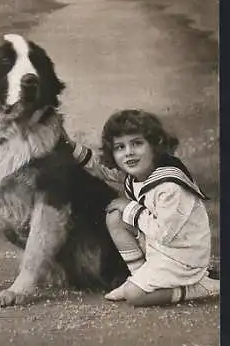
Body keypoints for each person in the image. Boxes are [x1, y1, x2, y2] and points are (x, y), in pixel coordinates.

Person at [63, 109, 219, 307]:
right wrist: (69, 145)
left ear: (155, 146)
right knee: (115, 217)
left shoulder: (170, 186)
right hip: (159, 249)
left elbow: (163, 233)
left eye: (137, 143)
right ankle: (138, 275)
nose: (128, 152)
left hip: (182, 257)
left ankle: (199, 287)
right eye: (120, 147)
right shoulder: (136, 176)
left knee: (135, 296)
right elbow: (99, 169)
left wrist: (129, 207)